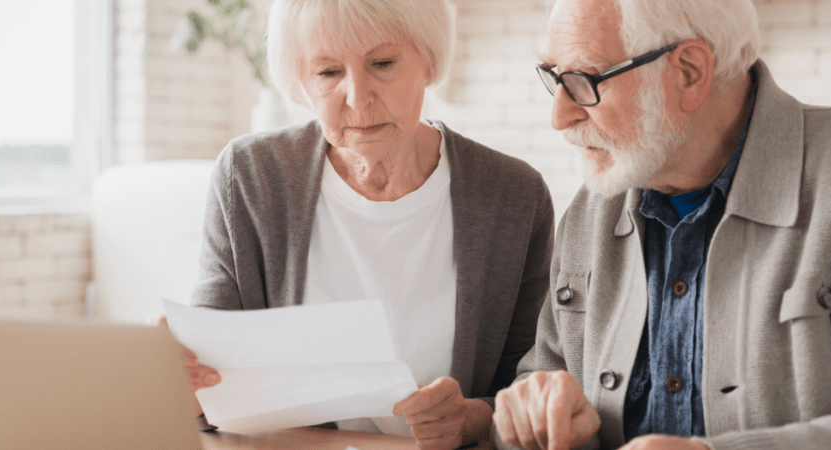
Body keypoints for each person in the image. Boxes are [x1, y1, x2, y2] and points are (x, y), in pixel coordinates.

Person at [491, 0, 831, 449]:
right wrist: (536, 416)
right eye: (554, 77)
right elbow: (538, 384)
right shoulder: (591, 210)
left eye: (584, 80)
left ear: (689, 72)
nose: (560, 116)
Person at [175, 0, 554, 449]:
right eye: (327, 72)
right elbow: (209, 382)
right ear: (301, 80)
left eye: (383, 63)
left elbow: (535, 384)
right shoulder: (249, 177)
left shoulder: (514, 196)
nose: (357, 97)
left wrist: (471, 420)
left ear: (428, 59)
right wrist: (182, 376)